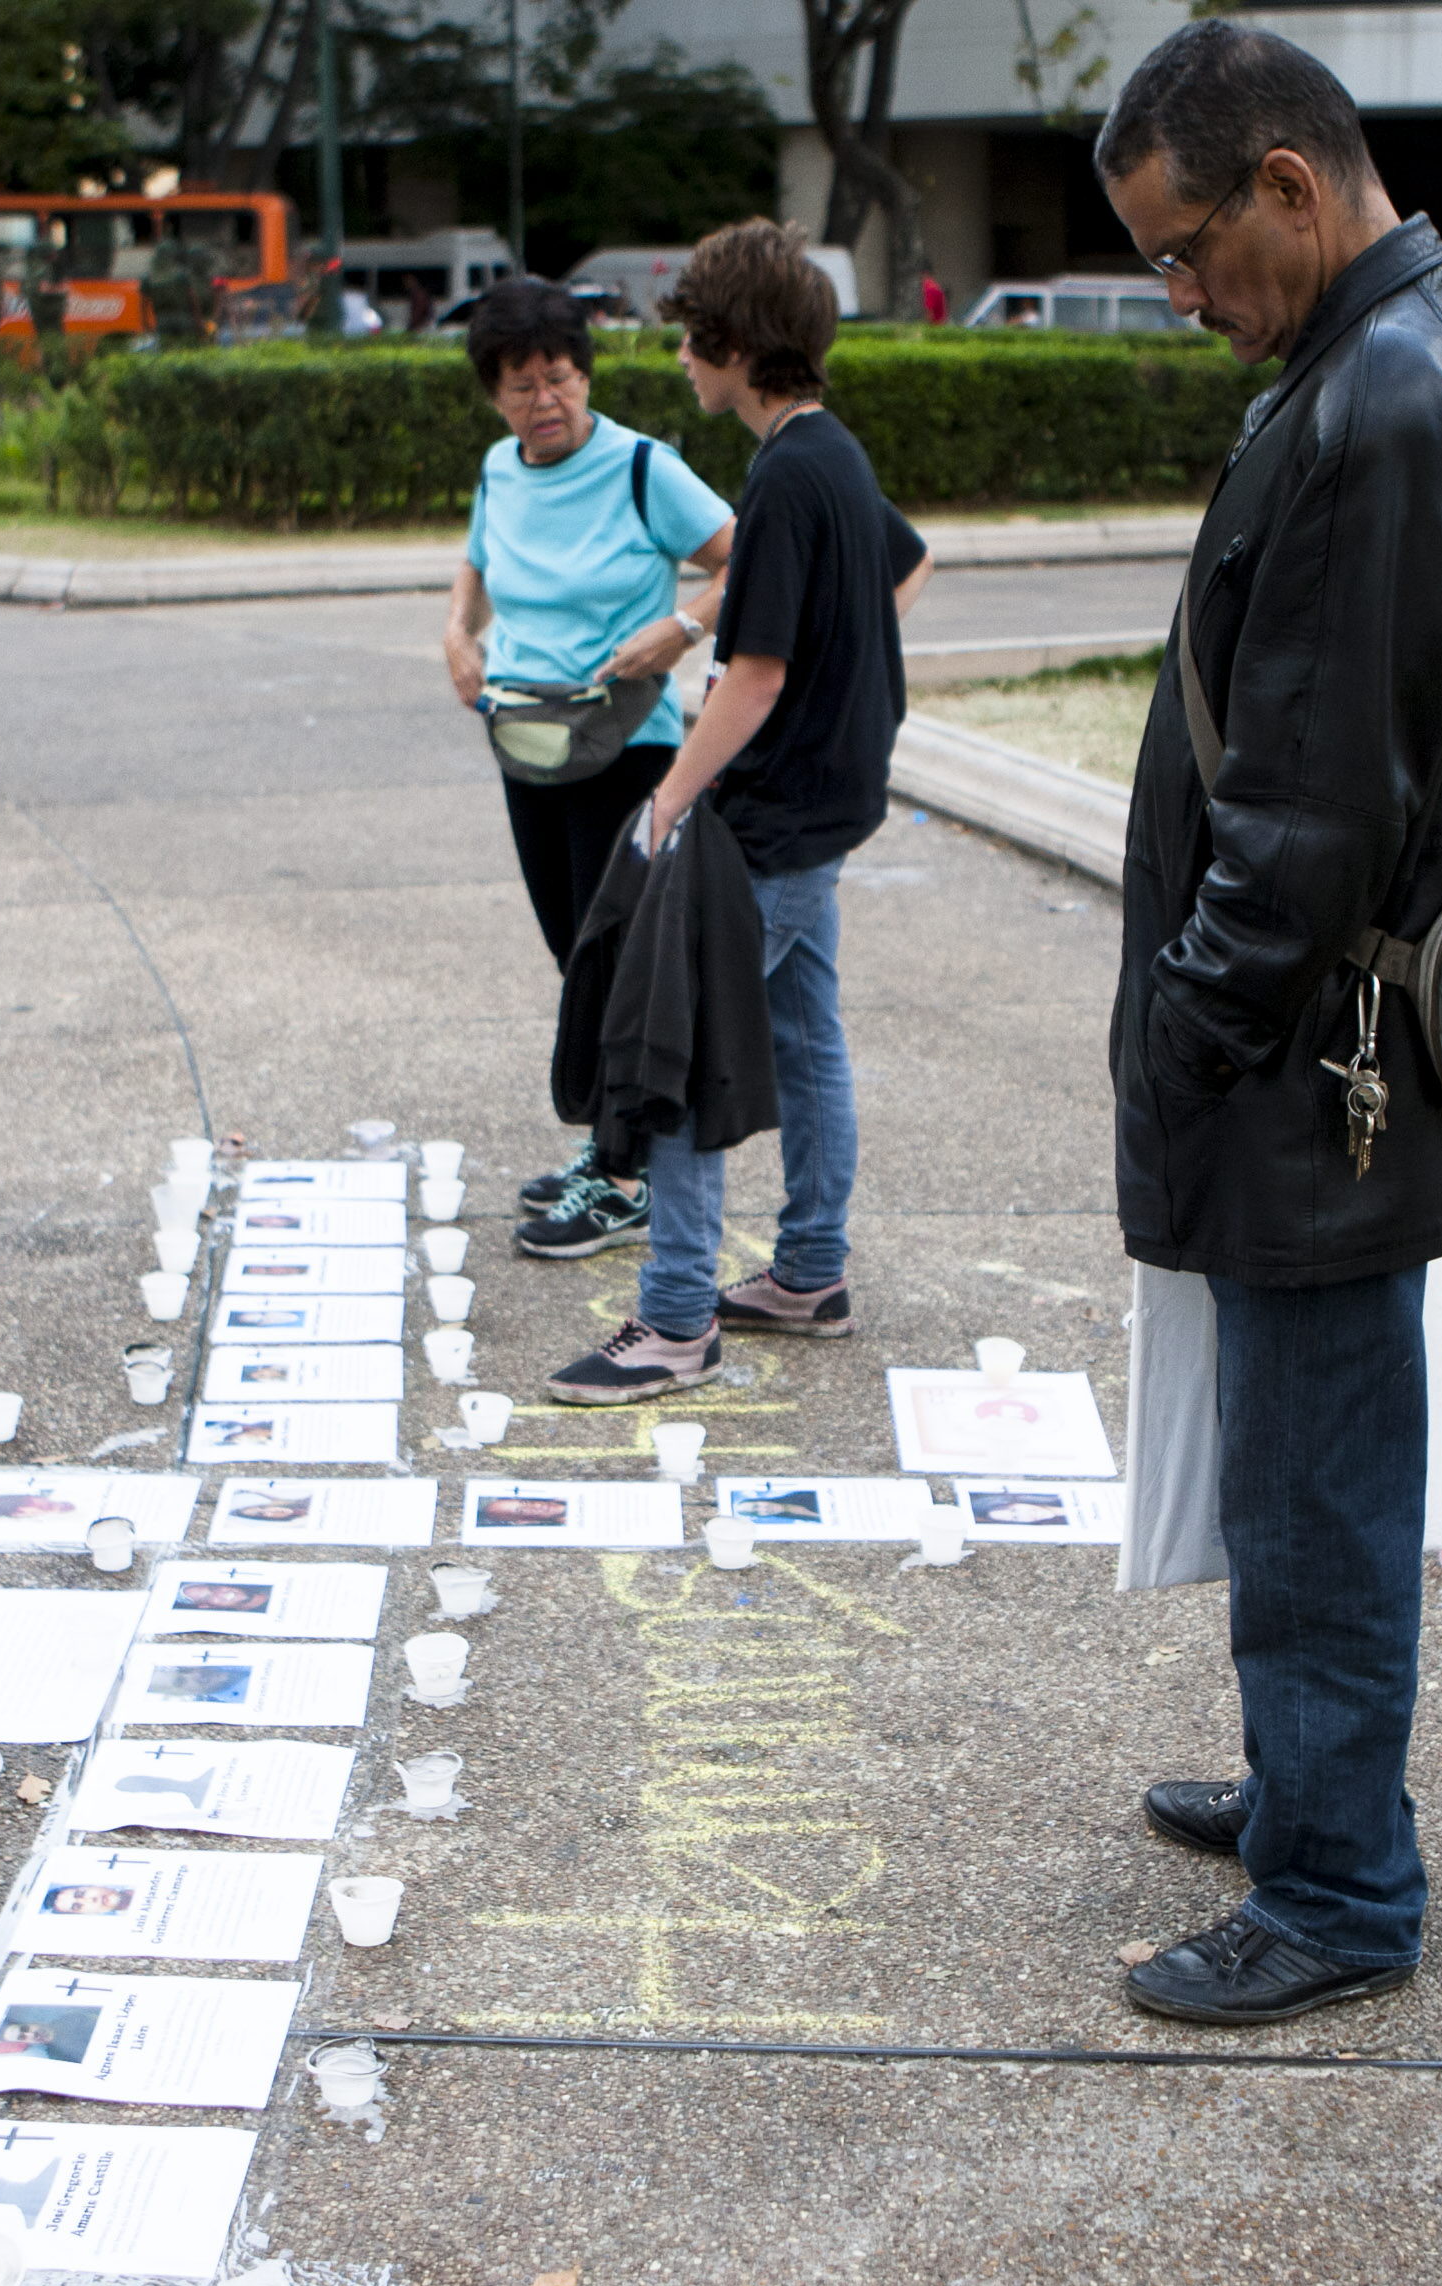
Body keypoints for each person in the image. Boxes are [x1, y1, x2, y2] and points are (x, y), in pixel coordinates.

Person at [1090, 20, 1442, 2024]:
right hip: (1331, 1039)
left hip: (1317, 1055)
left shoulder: (1378, 394)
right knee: (1306, 1450)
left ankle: (1340, 1888)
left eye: (1191, 249)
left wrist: (1178, 1035)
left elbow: (1307, 809)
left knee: (1318, 1475)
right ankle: (1315, 1786)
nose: (1186, 295)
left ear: (1288, 183)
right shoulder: (1387, 353)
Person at [536, 219, 935, 1404]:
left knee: (685, 1047)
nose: (679, 364)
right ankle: (808, 1270)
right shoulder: (834, 460)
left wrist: (665, 801)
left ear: (733, 346)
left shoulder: (785, 478)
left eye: (690, 344)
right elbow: (906, 567)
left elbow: (753, 676)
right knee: (805, 1039)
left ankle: (670, 1323)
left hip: (763, 821)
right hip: (828, 806)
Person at [439, 277, 739, 1255]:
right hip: (526, 738)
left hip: (628, 744)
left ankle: (623, 1172)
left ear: (585, 373)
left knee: (618, 952)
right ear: (493, 393)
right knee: (575, 950)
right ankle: (613, 1149)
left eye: (559, 377)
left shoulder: (642, 468)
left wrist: (683, 624)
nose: (544, 401)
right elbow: (478, 560)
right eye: (521, 385)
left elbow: (746, 553)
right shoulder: (498, 468)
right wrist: (454, 631)